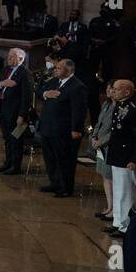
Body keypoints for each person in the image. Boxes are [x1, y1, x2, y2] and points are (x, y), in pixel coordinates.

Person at [103, 79, 136, 239]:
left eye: (116, 89)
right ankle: (118, 222)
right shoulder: (121, 106)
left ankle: (126, 226)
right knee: (118, 190)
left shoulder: (134, 109)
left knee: (127, 192)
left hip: (127, 157)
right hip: (117, 155)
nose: (112, 91)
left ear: (127, 92)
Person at [38, 58, 87, 198]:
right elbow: (38, 91)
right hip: (48, 127)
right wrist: (45, 94)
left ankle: (66, 187)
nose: (55, 70)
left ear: (69, 70)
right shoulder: (54, 81)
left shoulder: (77, 86)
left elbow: (79, 110)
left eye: (59, 68)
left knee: (65, 160)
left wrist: (76, 129)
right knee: (50, 158)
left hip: (64, 130)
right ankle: (55, 182)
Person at [0, 48, 32, 175]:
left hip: (16, 113)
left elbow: (26, 97)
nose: (8, 58)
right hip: (3, 110)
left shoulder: (25, 73)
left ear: (21, 59)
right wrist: (2, 83)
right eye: (8, 56)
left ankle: (16, 166)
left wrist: (22, 115)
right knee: (7, 138)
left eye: (12, 56)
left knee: (16, 139)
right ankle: (8, 163)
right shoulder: (5, 69)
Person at [91, 82, 117, 223]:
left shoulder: (118, 108)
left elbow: (114, 130)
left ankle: (114, 209)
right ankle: (109, 207)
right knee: (105, 177)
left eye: (111, 88)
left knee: (111, 178)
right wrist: (94, 137)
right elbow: (98, 123)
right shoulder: (106, 105)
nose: (108, 91)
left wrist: (102, 141)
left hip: (109, 146)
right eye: (107, 88)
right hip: (100, 145)